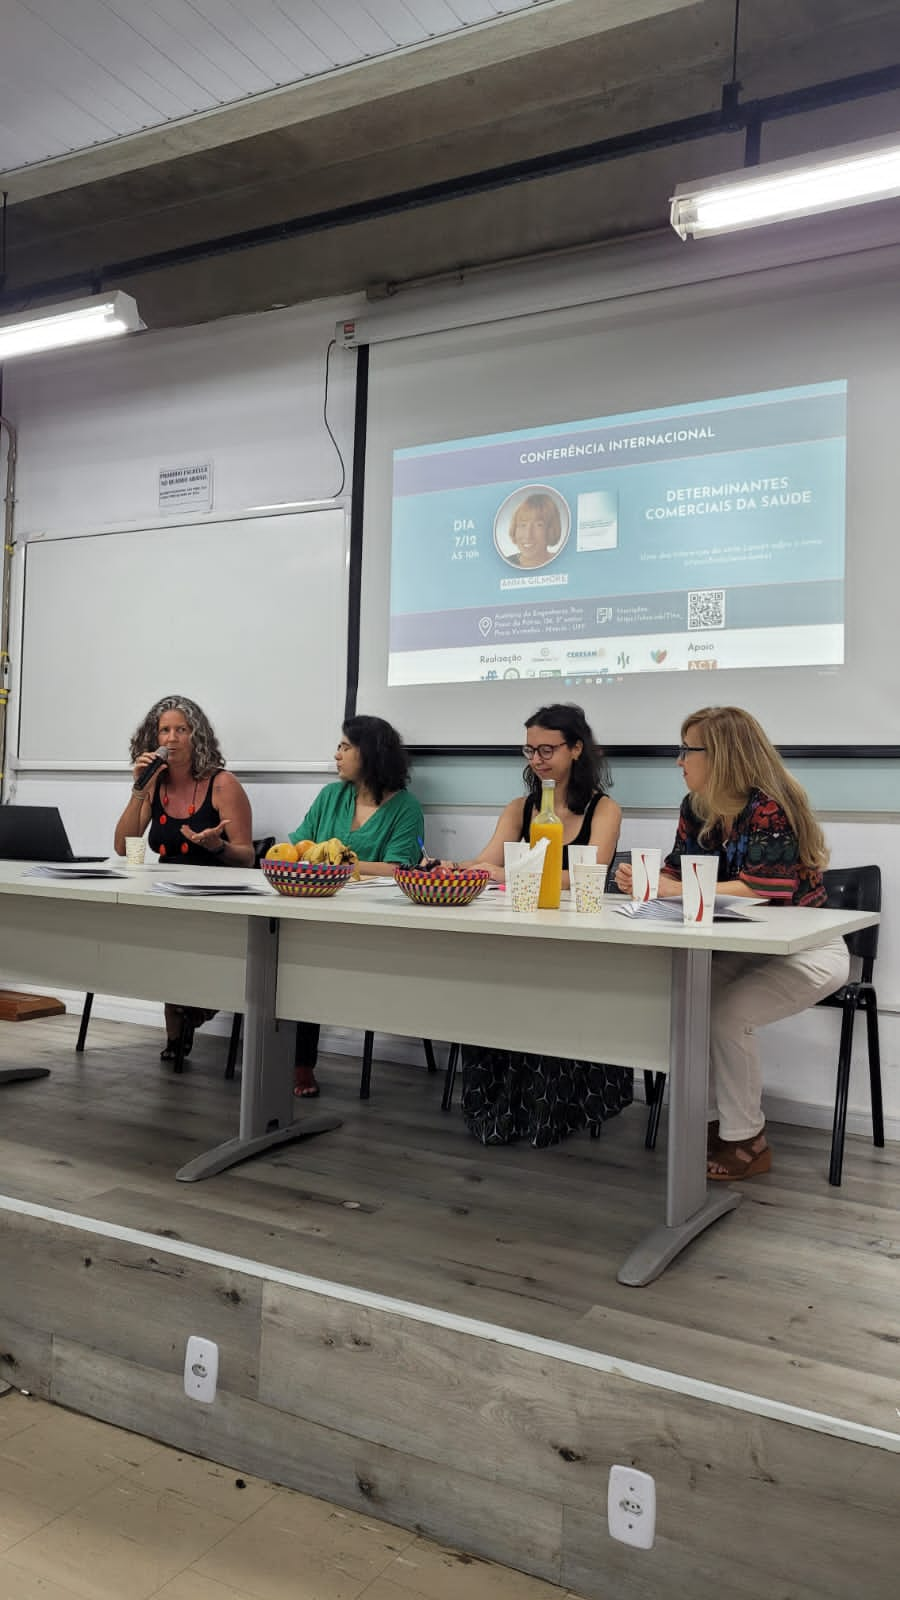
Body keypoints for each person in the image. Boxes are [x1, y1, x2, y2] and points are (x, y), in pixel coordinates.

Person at [615, 705, 849, 1181]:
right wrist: (640, 878)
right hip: (740, 947)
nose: (679, 761)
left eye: (687, 751)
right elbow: (677, 871)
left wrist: (674, 889)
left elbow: (764, 888)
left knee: (727, 1013)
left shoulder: (769, 808)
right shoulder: (695, 808)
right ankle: (704, 1125)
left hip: (808, 950)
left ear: (721, 755)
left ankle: (747, 1140)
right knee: (688, 1001)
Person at [453, 704, 629, 1148]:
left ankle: (553, 1106)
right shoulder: (520, 807)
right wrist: (450, 867)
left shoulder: (604, 809)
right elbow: (485, 862)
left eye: (548, 749)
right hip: (522, 930)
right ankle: (501, 1103)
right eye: (530, 750)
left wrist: (511, 873)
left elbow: (592, 873)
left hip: (580, 937)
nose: (537, 759)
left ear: (576, 749)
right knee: (490, 977)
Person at [290, 715, 424, 1098]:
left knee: (308, 958)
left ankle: (299, 1063)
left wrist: (341, 862)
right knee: (291, 954)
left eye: (345, 747)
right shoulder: (331, 796)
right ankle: (295, 1061)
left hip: (372, 921)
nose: (337, 755)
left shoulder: (406, 808)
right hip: (316, 910)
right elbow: (299, 847)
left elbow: (401, 869)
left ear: (370, 754)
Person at [114, 695, 254, 1060]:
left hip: (218, 888)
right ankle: (180, 1020)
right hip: (169, 888)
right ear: (153, 738)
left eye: (182, 730)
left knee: (182, 936)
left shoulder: (222, 784)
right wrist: (138, 791)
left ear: (197, 737)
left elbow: (246, 856)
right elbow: (121, 846)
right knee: (159, 938)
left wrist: (216, 845)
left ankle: (194, 1013)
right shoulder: (154, 785)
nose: (172, 738)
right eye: (165, 730)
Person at [503, 492, 564, 569]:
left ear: (550, 530)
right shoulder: (504, 565)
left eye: (539, 525)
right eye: (523, 525)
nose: (528, 535)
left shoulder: (563, 563)